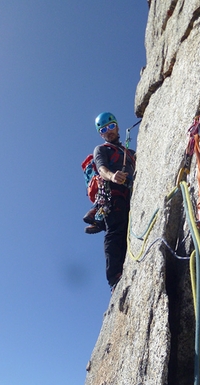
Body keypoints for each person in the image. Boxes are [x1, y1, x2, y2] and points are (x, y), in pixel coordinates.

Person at [85, 112, 136, 291]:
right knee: (115, 231)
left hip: (131, 194)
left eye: (110, 126)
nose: (108, 132)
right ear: (101, 134)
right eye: (104, 129)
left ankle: (126, 266)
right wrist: (113, 176)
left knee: (127, 229)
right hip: (112, 195)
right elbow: (101, 169)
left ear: (117, 126)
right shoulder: (101, 149)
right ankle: (114, 277)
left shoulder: (130, 153)